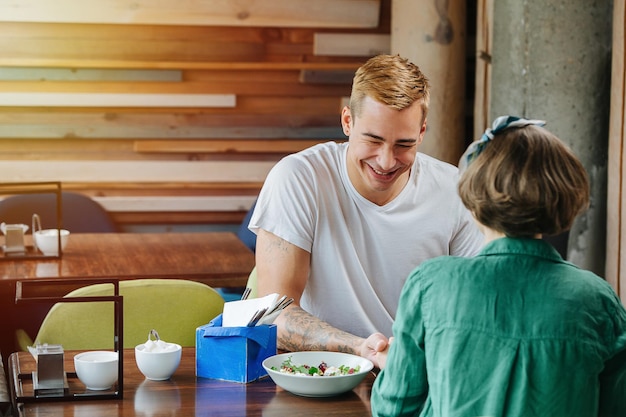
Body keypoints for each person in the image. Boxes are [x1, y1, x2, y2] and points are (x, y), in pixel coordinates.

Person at [371, 116, 626, 417]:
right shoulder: (597, 300)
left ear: (473, 201)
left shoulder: (431, 284)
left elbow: (394, 408)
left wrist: (395, 366)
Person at [248, 54, 483, 369]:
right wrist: (361, 349)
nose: (386, 161)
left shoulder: (455, 189)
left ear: (422, 132)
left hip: (420, 373)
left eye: (404, 144)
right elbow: (274, 315)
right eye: (373, 140)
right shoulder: (298, 177)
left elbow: (478, 306)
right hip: (322, 373)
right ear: (347, 121)